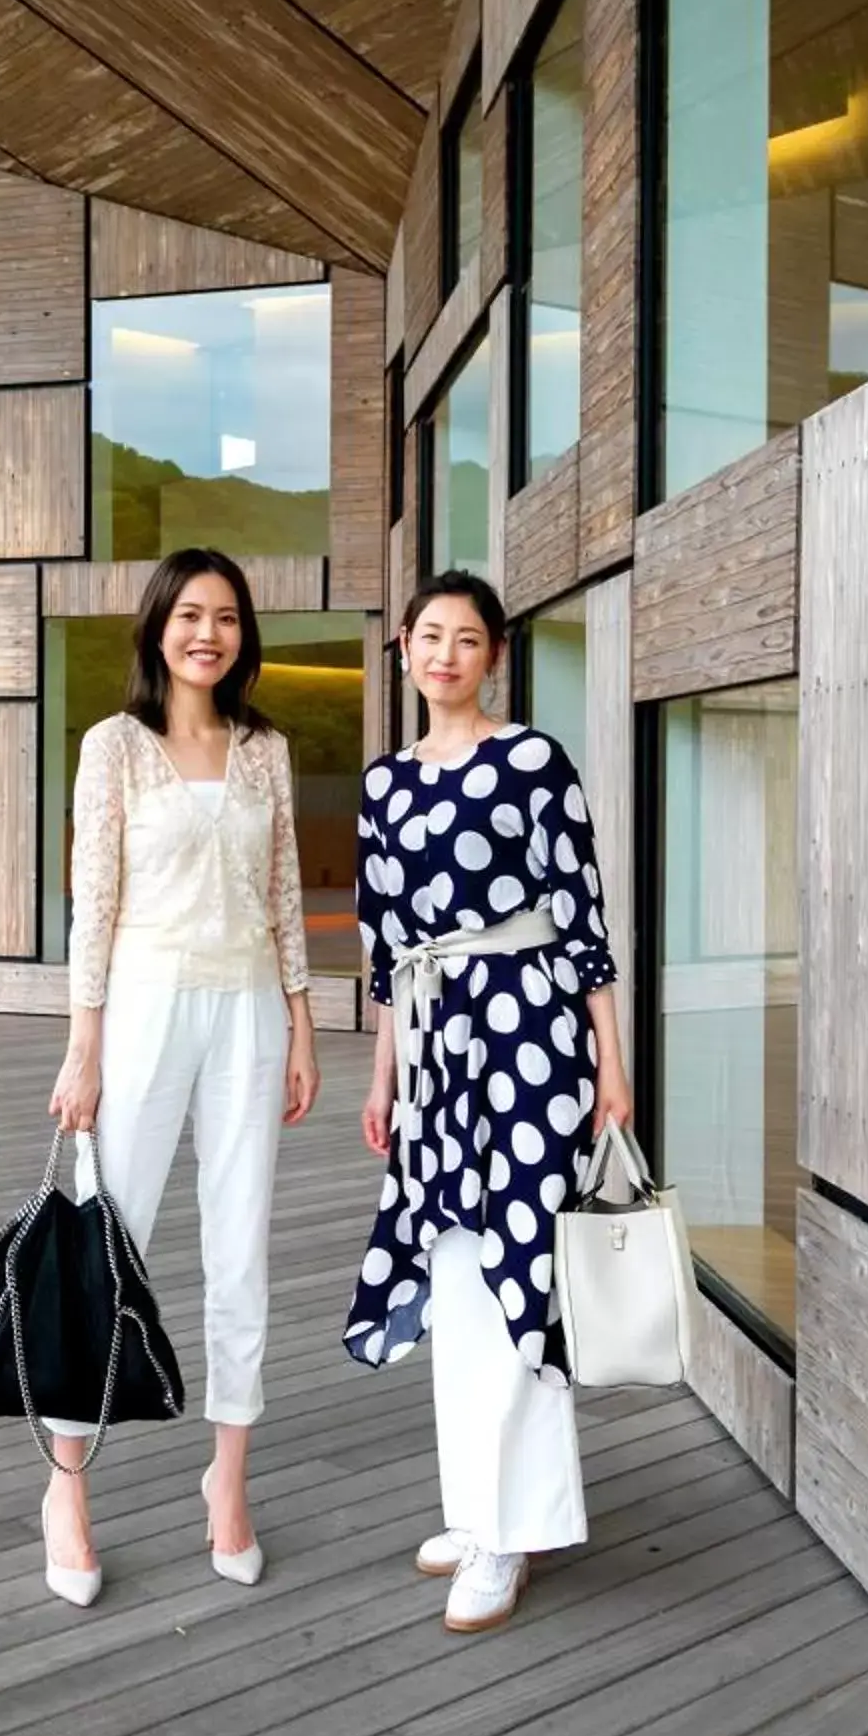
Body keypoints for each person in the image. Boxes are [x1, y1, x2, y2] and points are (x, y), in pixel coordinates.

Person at [344, 570, 635, 1634]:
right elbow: (387, 949)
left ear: (495, 654)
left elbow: (585, 914)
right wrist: (383, 1074)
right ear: (408, 651)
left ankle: (514, 1529)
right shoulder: (383, 785)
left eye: (468, 637)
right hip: (432, 1043)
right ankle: (478, 1507)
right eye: (430, 634)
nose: (447, 652)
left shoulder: (532, 760)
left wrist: (610, 1061)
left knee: (519, 1262)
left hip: (527, 1031)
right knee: (457, 1269)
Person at [42, 547, 320, 1607]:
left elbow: (285, 889)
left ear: (244, 636)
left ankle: (228, 1481)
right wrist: (84, 1043)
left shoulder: (264, 750)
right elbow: (93, 902)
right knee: (108, 1244)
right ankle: (66, 1485)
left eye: (228, 617)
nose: (209, 632)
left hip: (250, 1008)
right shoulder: (113, 746)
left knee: (240, 1246)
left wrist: (300, 1022)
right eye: (191, 613)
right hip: (146, 1008)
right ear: (159, 625)